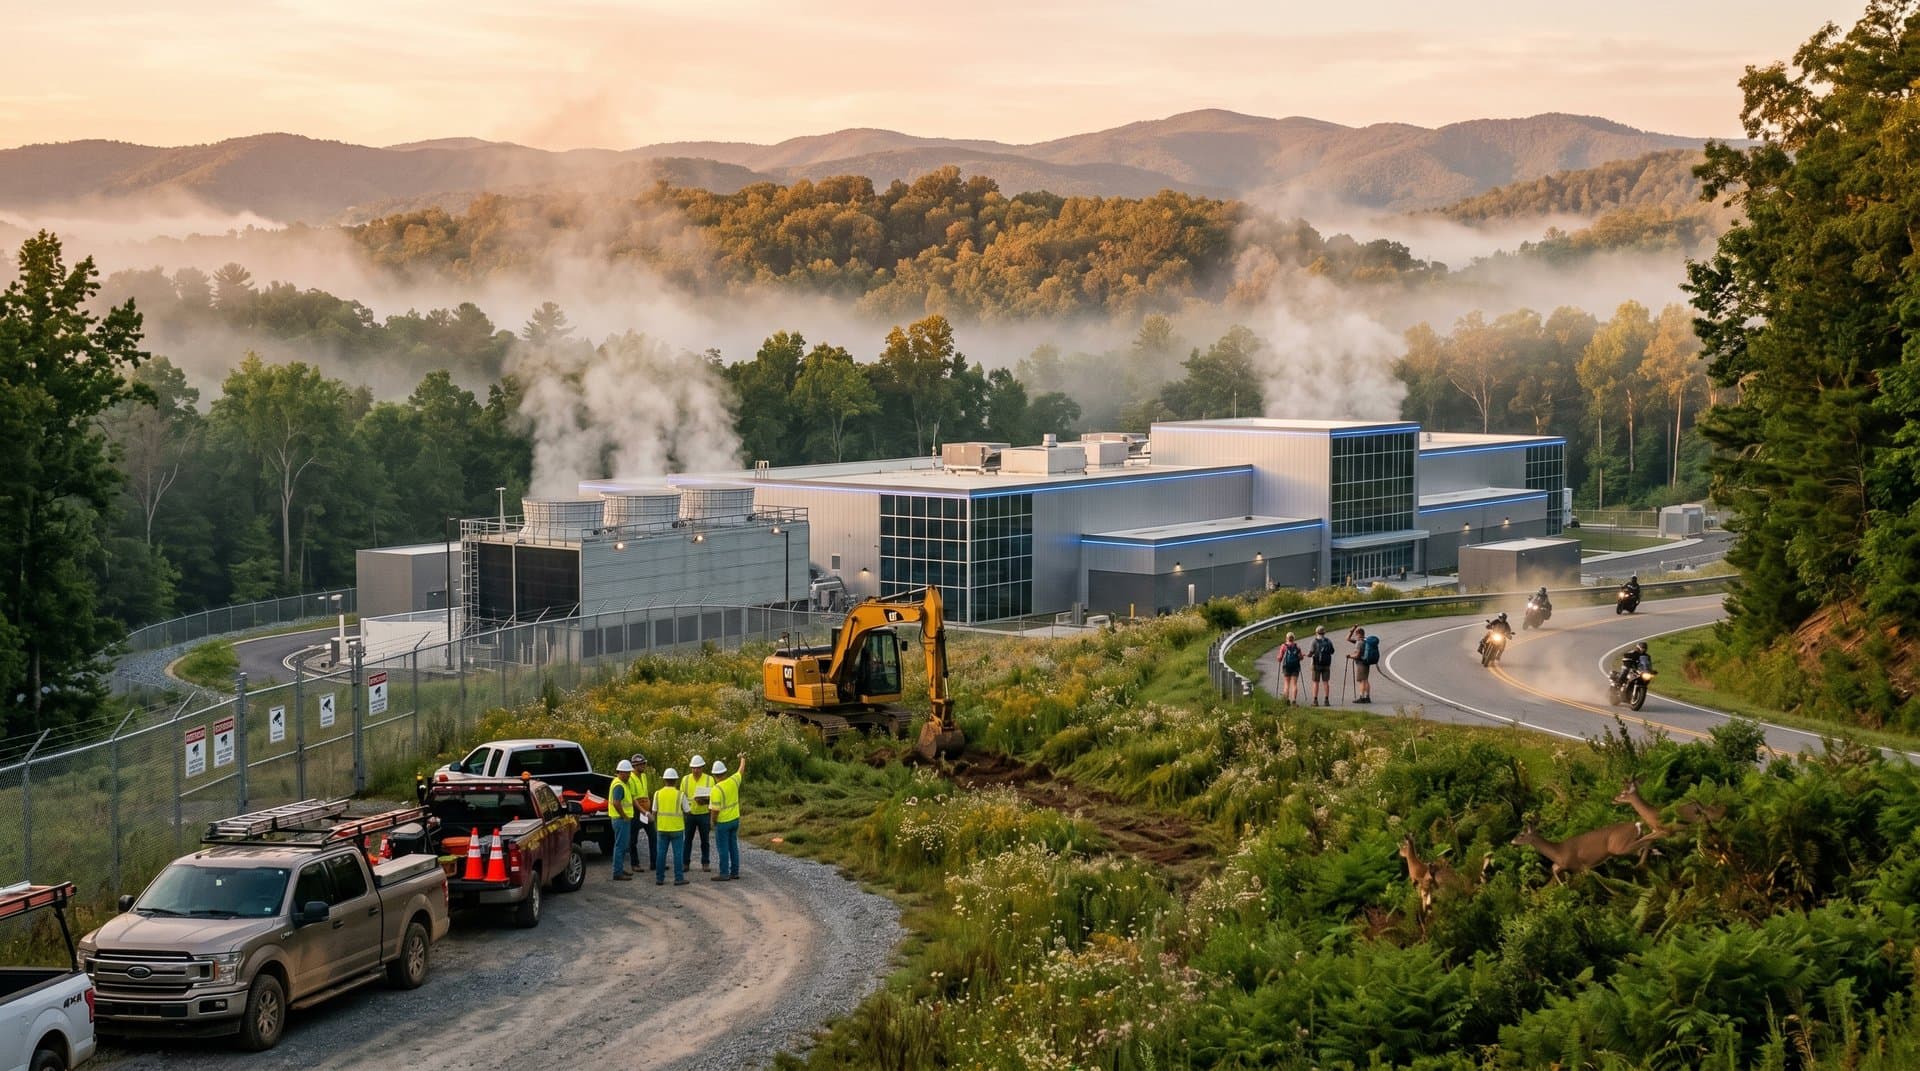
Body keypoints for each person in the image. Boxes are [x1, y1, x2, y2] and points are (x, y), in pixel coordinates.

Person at [652, 767, 692, 886]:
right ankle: (678, 878)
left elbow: (654, 812)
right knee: (678, 854)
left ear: (664, 780)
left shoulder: (657, 794)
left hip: (662, 828)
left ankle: (659, 878)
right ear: (675, 780)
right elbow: (688, 811)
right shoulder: (680, 795)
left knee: (661, 854)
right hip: (677, 829)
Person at [709, 755, 746, 881]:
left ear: (714, 775)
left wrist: (713, 822)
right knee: (733, 846)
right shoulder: (734, 780)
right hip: (735, 820)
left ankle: (724, 873)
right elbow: (741, 770)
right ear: (725, 772)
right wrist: (743, 759)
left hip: (723, 823)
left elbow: (715, 811)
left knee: (723, 848)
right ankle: (734, 872)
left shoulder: (716, 789)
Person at [626, 753, 657, 879]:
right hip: (637, 812)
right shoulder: (631, 778)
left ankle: (654, 863)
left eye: (644, 763)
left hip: (645, 811)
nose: (644, 765)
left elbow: (645, 793)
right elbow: (633, 799)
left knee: (653, 837)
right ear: (635, 765)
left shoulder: (643, 776)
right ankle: (635, 864)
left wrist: (649, 809)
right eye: (641, 764)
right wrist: (644, 811)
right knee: (633, 839)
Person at [683, 754, 715, 873]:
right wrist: (685, 811)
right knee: (687, 840)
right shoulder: (685, 779)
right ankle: (685, 863)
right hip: (690, 814)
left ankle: (705, 863)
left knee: (705, 840)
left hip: (704, 813)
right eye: (693, 768)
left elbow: (714, 797)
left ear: (702, 767)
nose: (696, 770)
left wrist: (705, 801)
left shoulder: (709, 779)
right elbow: (682, 797)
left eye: (698, 768)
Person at [607, 759, 637, 882]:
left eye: (629, 773)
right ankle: (617, 872)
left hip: (620, 819)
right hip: (620, 819)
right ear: (620, 772)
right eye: (627, 773)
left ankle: (619, 869)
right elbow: (616, 803)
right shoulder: (619, 785)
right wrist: (624, 815)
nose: (629, 775)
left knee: (622, 845)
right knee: (620, 846)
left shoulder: (619, 782)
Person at [1308, 626, 1336, 706]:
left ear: (1316, 632)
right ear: (1324, 633)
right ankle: (1326, 700)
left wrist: (1308, 655)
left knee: (1316, 683)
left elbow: (1311, 653)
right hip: (1326, 665)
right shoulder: (1328, 641)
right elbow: (1332, 651)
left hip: (1316, 665)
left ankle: (1315, 701)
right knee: (1326, 682)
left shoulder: (1314, 642)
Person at [1346, 626, 1376, 704]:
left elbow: (1357, 655)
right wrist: (1352, 629)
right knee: (1365, 680)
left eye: (1356, 634)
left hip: (1361, 663)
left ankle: (1361, 697)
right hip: (1366, 662)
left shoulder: (1359, 643)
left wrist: (1350, 656)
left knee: (1362, 681)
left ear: (1359, 634)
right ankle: (1367, 697)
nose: (1355, 636)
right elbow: (1348, 639)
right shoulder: (1365, 641)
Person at [1276, 631, 1304, 704]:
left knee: (1286, 684)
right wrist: (1300, 656)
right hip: (1295, 667)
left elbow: (1279, 658)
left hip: (1286, 667)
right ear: (1293, 638)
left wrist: (1278, 658)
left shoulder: (1283, 646)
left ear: (1286, 638)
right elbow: (1301, 658)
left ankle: (1287, 700)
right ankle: (1294, 700)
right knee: (1294, 684)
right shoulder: (1297, 647)